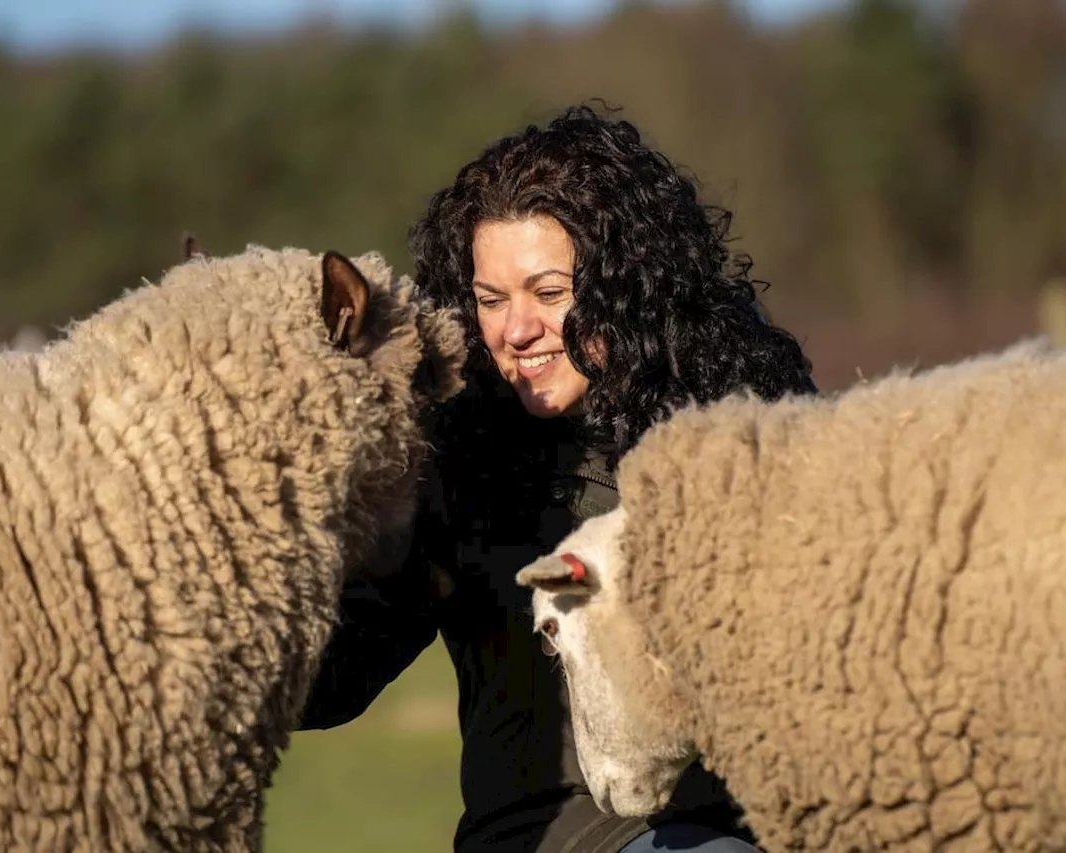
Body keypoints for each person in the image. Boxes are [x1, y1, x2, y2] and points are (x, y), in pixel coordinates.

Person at [297, 102, 818, 853]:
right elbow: (333, 680)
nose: (515, 329)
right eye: (489, 300)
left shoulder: (746, 429)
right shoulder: (454, 466)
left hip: (742, 827)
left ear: (625, 285)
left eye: (548, 293)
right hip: (542, 837)